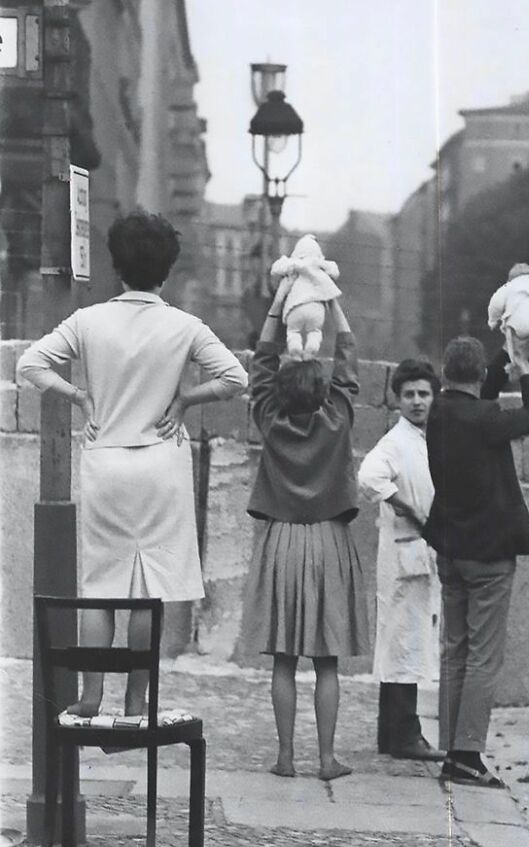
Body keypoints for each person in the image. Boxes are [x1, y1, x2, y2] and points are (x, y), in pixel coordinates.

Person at [17, 210, 248, 718]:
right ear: (167, 270)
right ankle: (137, 699)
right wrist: (186, 399)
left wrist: (80, 396)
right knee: (151, 588)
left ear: (116, 265)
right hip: (162, 462)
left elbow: (29, 363)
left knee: (101, 584)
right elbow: (235, 379)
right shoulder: (185, 326)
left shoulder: (88, 321)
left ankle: (92, 694)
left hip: (106, 460)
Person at [241, 283, 369, 782]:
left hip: (281, 540)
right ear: (323, 392)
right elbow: (349, 360)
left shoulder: (269, 419)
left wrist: (278, 304)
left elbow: (261, 364)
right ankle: (326, 759)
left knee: (284, 660)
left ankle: (286, 756)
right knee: (327, 662)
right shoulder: (337, 420)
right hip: (328, 541)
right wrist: (332, 298)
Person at [423, 334, 529, 787]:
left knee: (454, 651)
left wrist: (508, 351)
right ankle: (469, 754)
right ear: (477, 376)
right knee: (483, 658)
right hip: (489, 554)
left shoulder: (437, 412)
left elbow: (482, 393)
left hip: (450, 550)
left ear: (443, 375)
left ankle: (453, 751)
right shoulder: (485, 419)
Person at [358, 359, 444, 761]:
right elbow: (369, 476)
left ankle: (391, 735)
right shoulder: (396, 441)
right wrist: (406, 505)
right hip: (403, 552)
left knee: (407, 642)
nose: (416, 402)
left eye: (423, 394)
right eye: (408, 394)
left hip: (420, 553)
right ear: (397, 399)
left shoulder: (429, 439)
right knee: (403, 643)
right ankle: (405, 734)